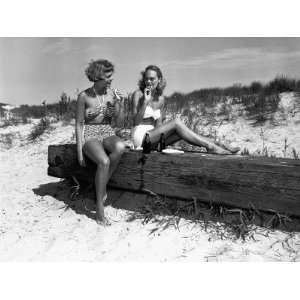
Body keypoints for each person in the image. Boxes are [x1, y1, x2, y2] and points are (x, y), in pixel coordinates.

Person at [131, 65, 240, 154]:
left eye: (152, 79)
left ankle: (218, 143)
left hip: (152, 139)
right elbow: (135, 122)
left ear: (159, 80)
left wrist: (161, 141)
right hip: (140, 138)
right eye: (147, 78)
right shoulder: (138, 94)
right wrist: (145, 101)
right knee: (177, 122)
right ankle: (210, 146)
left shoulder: (161, 99)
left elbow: (159, 127)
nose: (149, 82)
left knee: (181, 133)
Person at [75, 59, 126, 226]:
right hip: (89, 133)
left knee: (120, 147)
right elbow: (79, 124)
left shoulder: (111, 95)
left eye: (112, 75)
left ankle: (101, 188)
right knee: (103, 161)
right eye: (108, 76)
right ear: (97, 76)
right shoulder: (84, 96)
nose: (111, 79)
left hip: (106, 131)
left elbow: (118, 122)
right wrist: (79, 152)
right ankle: (99, 208)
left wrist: (120, 103)